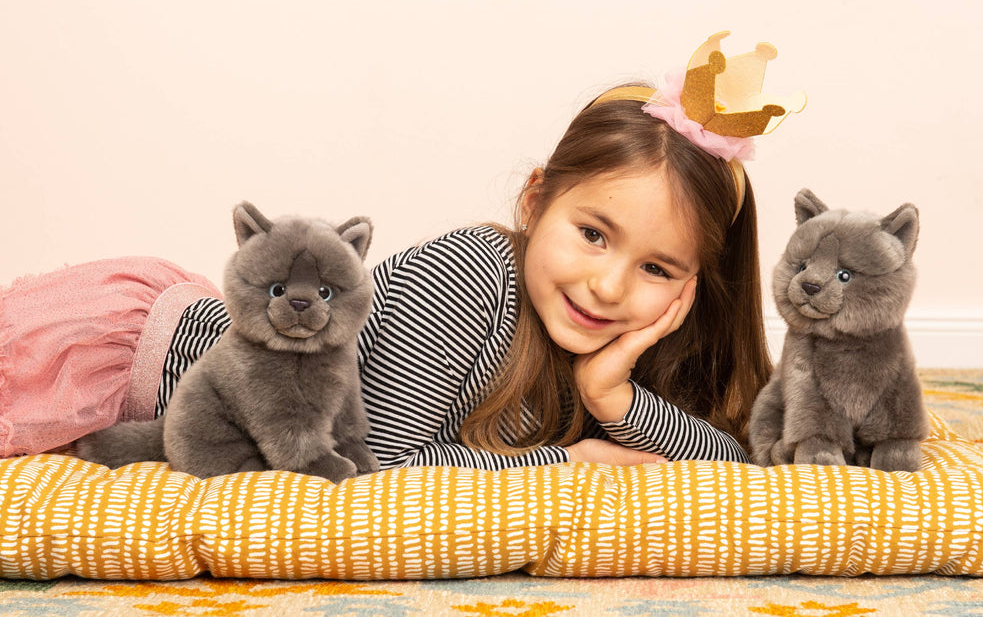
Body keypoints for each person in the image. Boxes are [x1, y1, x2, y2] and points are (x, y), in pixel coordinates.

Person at [2, 38, 800, 469]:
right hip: (135, 355)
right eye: (592, 233)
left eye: (658, 268)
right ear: (535, 200)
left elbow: (729, 455)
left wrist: (615, 400)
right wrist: (573, 460)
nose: (608, 284)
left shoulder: (622, 351)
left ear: (697, 284)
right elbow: (374, 461)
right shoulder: (468, 275)